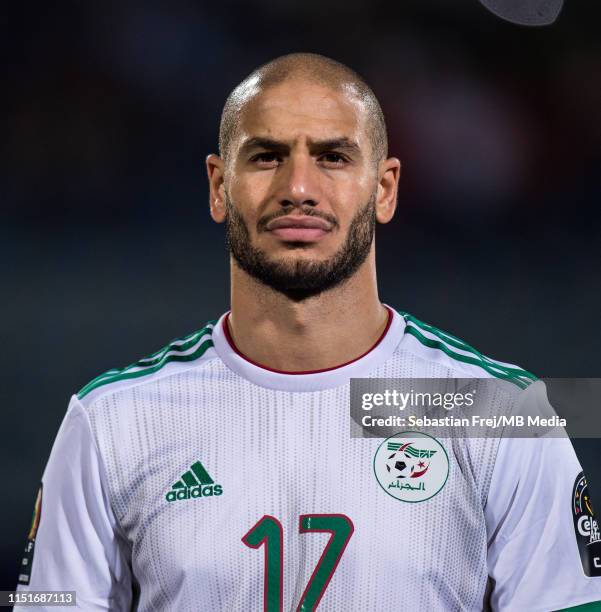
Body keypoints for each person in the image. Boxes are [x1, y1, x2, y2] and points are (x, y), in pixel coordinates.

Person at [15, 53, 601, 611]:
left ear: (385, 188)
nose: (298, 188)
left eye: (334, 157)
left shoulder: (502, 413)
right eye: (267, 156)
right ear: (218, 186)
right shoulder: (108, 421)